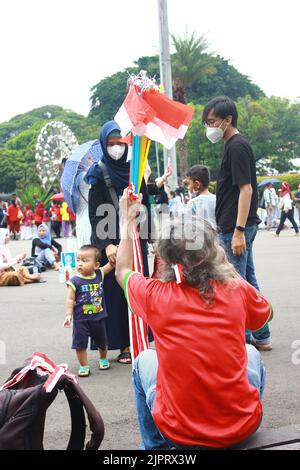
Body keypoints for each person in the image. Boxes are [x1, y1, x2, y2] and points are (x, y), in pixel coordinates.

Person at [115, 188, 272, 450]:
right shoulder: (236, 289)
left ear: (164, 258)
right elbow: (264, 318)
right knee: (250, 352)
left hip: (179, 433)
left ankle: (155, 449)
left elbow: (122, 271)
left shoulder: (156, 296)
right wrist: (227, 269)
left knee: (144, 359)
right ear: (213, 251)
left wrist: (127, 221)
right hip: (243, 427)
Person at [202, 96, 271, 351]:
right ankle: (261, 335)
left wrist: (239, 231)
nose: (209, 127)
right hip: (236, 226)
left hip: (237, 227)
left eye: (211, 122)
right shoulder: (232, 144)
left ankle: (242, 343)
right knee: (247, 281)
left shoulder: (237, 146)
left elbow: (246, 190)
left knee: (235, 285)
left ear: (227, 120)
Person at [87, 120, 151, 364]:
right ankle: (124, 344)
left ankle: (141, 339)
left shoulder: (135, 169)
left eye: (120, 143)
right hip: (113, 241)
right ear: (104, 144)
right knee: (116, 294)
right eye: (111, 144)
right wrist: (106, 246)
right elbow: (95, 215)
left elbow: (147, 206)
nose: (116, 148)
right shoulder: (98, 174)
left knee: (139, 288)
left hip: (136, 240)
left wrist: (149, 237)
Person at [63, 245, 114, 376]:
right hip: (81, 320)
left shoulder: (99, 274)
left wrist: (117, 255)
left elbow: (111, 265)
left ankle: (103, 358)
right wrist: (69, 315)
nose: (80, 264)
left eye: (85, 261)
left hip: (99, 318)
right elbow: (70, 299)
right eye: (78, 260)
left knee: (102, 341)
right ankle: (84, 365)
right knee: (79, 344)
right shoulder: (74, 281)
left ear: (96, 265)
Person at [185, 164, 216, 229]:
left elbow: (187, 226)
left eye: (188, 184)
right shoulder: (216, 199)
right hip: (216, 238)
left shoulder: (193, 203)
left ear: (197, 184)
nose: (188, 187)